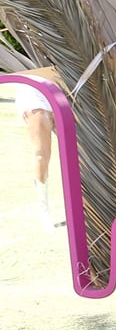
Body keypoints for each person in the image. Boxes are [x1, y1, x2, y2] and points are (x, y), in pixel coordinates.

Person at [16, 79, 56, 227]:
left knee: (82, 153)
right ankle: (44, 211)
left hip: (63, 89)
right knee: (41, 154)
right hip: (35, 96)